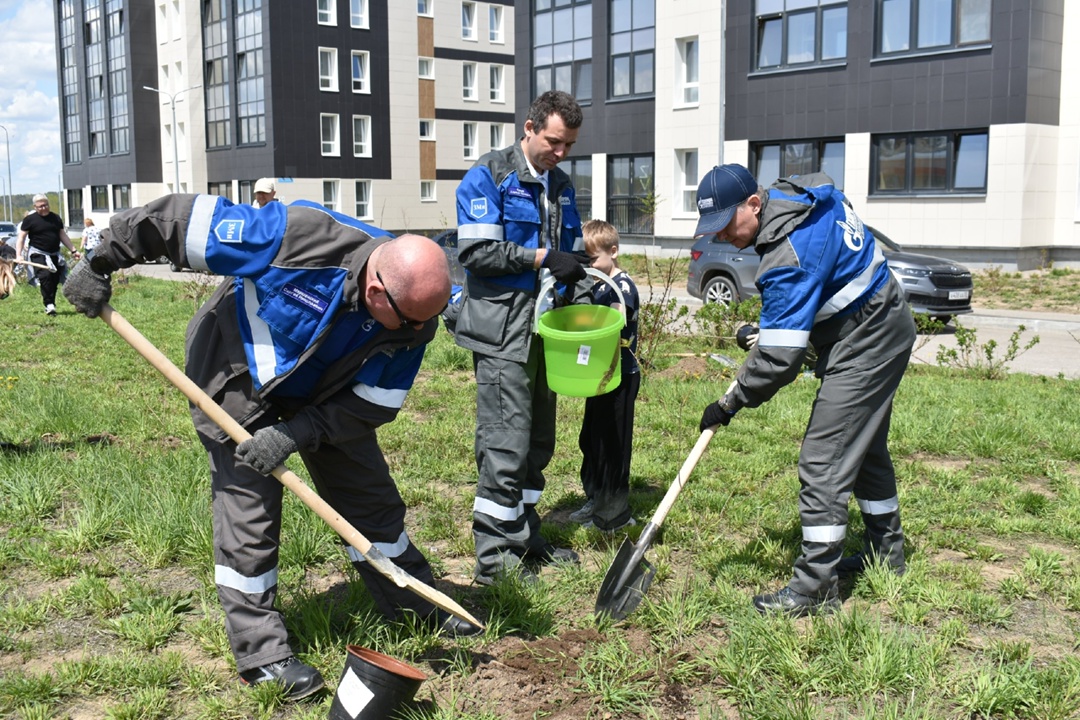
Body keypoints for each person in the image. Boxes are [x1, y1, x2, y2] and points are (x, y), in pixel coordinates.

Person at [63, 194, 481, 700]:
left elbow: (373, 403)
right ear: (376, 288)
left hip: (327, 395)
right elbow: (180, 222)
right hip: (236, 369)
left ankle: (414, 599)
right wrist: (101, 258)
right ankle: (262, 654)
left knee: (369, 496)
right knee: (250, 504)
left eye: (425, 320)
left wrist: (297, 432)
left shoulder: (416, 319)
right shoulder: (296, 237)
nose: (419, 331)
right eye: (410, 319)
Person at [694, 164, 916, 618]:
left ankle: (815, 589)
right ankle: (886, 555)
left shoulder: (787, 254)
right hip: (884, 319)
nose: (722, 237)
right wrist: (783, 324)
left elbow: (780, 360)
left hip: (867, 339)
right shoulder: (805, 195)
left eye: (726, 225)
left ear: (754, 204)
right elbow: (826, 272)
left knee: (823, 459)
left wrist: (729, 402)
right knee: (865, 446)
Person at [454, 90, 590, 585]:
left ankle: (525, 535)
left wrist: (581, 274)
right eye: (555, 142)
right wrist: (538, 258)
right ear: (529, 128)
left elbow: (567, 253)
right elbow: (477, 253)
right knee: (504, 443)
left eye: (569, 146)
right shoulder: (489, 176)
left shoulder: (562, 185)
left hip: (543, 332)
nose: (561, 153)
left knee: (537, 442)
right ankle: (494, 562)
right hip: (501, 334)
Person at [569, 219, 641, 533]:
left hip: (620, 375)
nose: (590, 267)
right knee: (592, 439)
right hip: (599, 375)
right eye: (584, 262)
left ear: (613, 251)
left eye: (594, 260)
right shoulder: (595, 283)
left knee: (613, 444)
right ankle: (595, 498)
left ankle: (614, 515)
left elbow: (614, 324)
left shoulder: (620, 287)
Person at [16, 194, 79, 315]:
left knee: (54, 279)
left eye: (46, 205)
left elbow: (62, 235)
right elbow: (21, 238)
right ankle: (49, 304)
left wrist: (73, 250)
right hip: (37, 253)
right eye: (40, 206)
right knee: (45, 275)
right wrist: (18, 255)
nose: (44, 208)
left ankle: (51, 303)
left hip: (54, 253)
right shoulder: (30, 220)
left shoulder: (55, 218)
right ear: (35, 207)